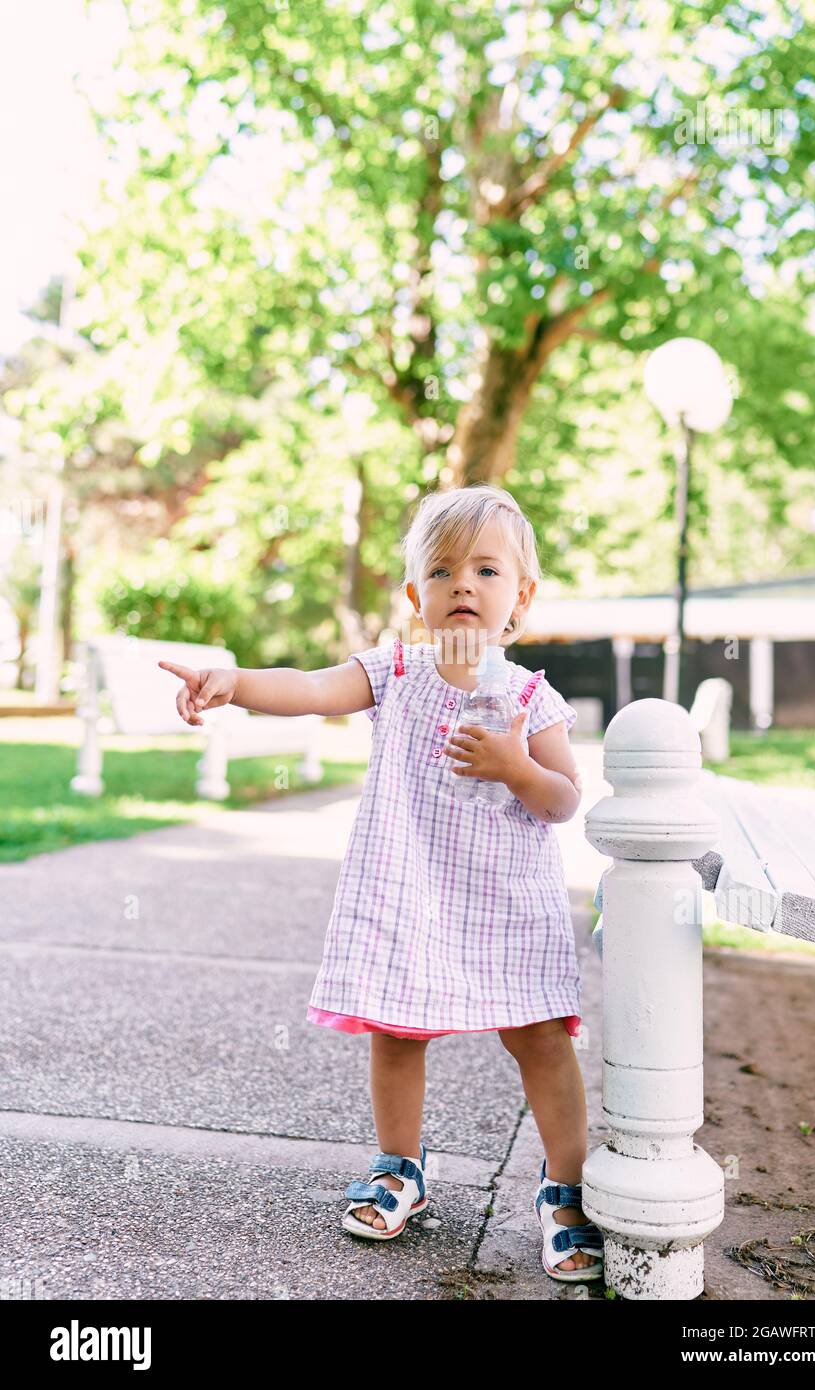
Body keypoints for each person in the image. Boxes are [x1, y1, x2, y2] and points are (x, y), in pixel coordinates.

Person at [158, 483, 603, 1283]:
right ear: (416, 597)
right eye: (442, 569)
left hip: (509, 904)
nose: (463, 583)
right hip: (413, 889)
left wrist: (516, 767)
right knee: (398, 1030)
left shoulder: (531, 699)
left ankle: (564, 1188)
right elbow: (308, 687)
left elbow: (565, 800)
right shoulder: (396, 670)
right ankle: (401, 1166)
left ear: (520, 598)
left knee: (539, 1037)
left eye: (487, 570)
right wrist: (237, 681)